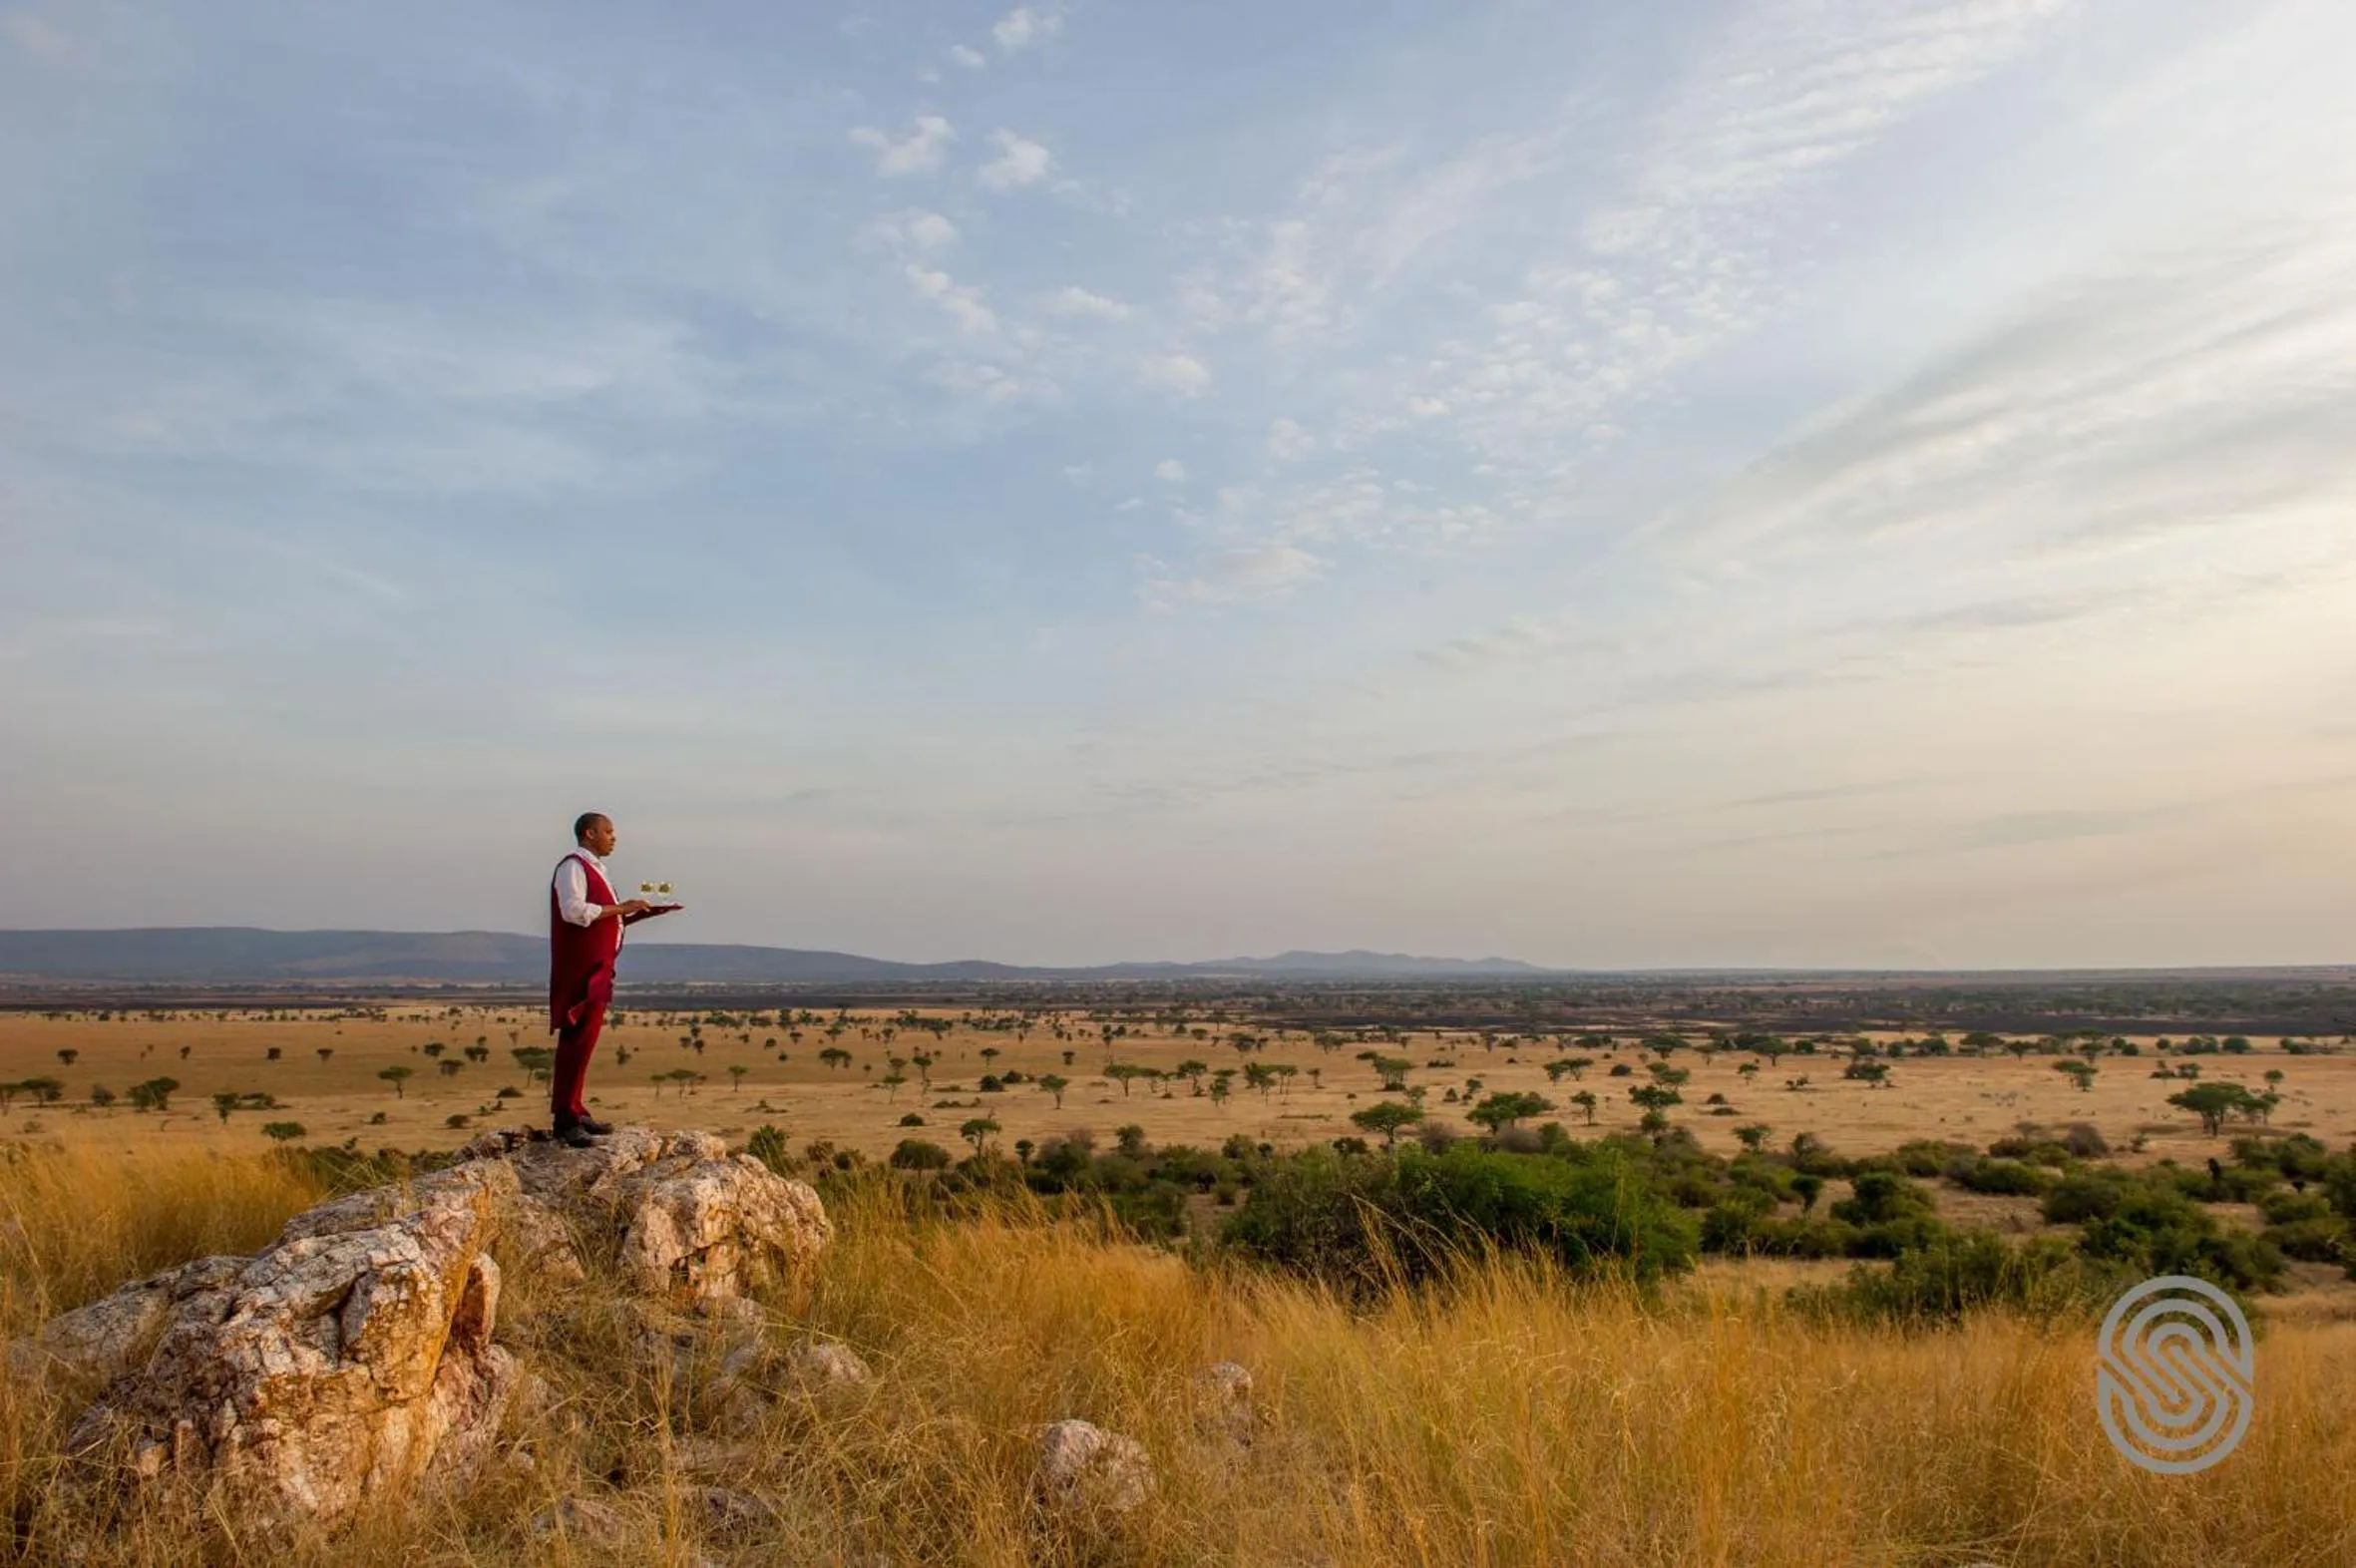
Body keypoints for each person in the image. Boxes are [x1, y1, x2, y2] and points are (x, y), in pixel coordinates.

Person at [548, 812, 658, 1147]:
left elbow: (601, 918)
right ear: (589, 833)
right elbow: (574, 911)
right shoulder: (573, 866)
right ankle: (565, 1118)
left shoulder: (596, 869)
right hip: (581, 970)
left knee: (586, 1040)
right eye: (608, 831)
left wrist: (629, 914)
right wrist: (620, 909)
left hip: (597, 969)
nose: (614, 837)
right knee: (576, 1038)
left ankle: (575, 1108)